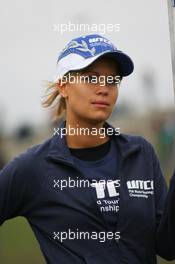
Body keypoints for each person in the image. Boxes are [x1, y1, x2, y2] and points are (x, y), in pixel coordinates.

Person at [0, 33, 174, 263]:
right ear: (64, 86)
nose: (104, 88)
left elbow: (168, 247)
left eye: (112, 80)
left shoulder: (141, 153)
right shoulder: (33, 168)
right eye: (92, 78)